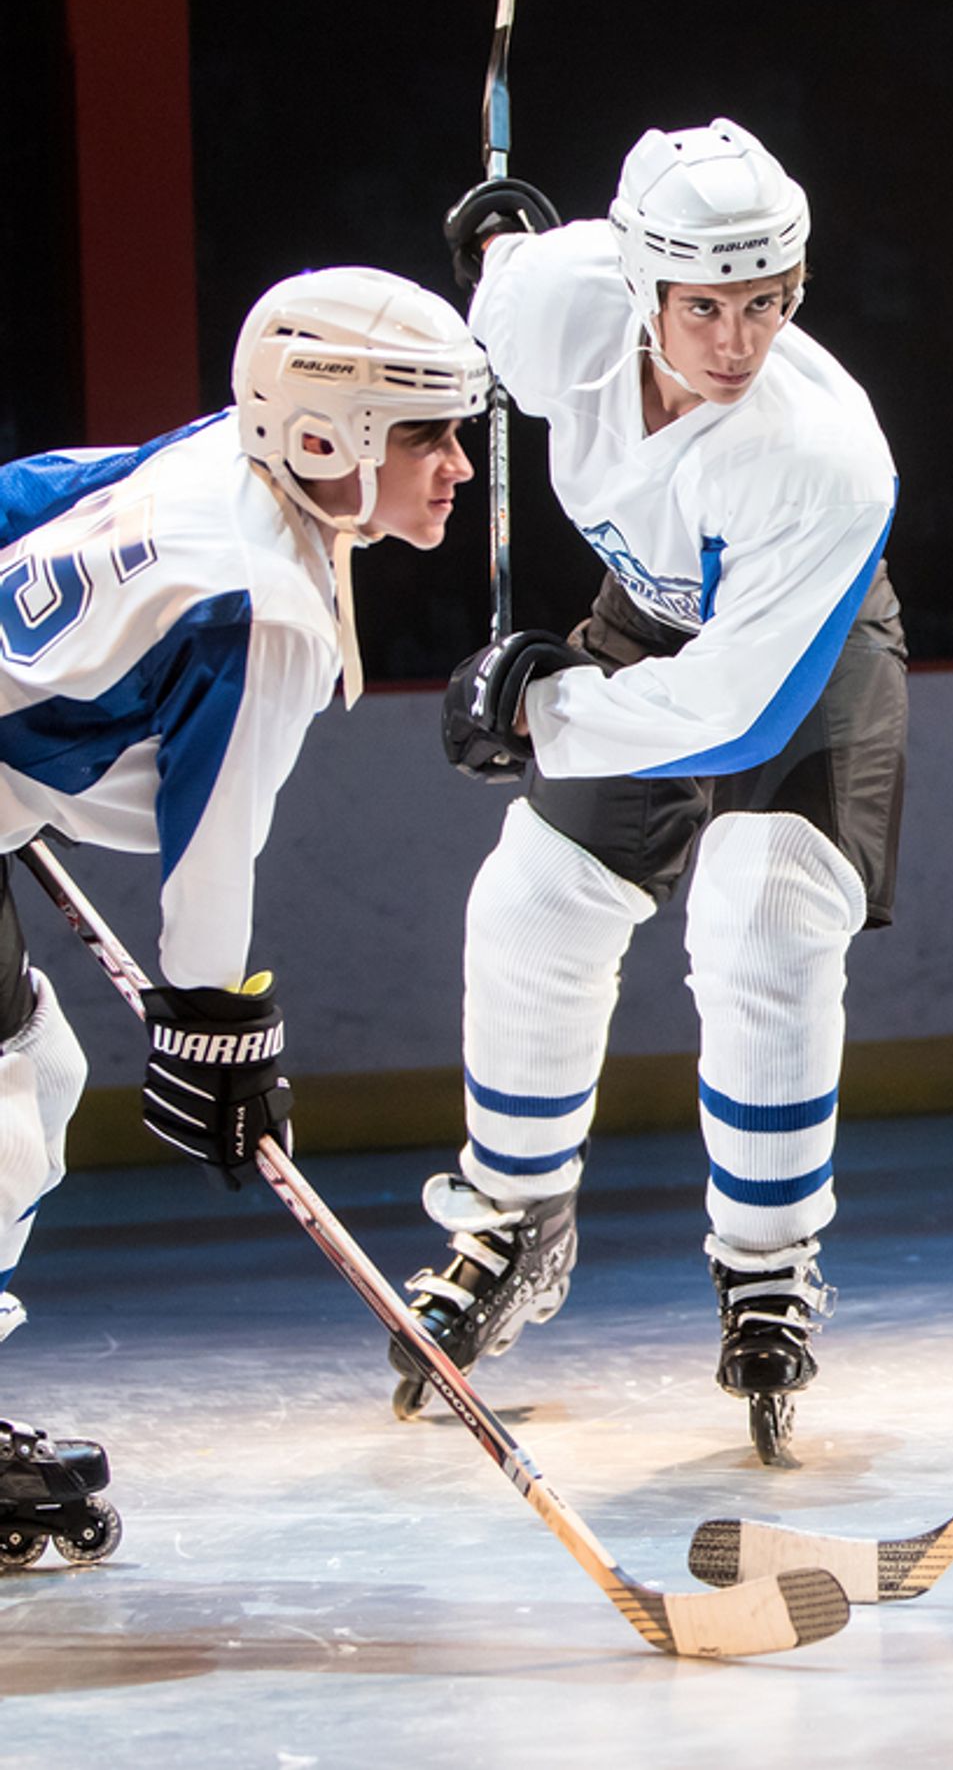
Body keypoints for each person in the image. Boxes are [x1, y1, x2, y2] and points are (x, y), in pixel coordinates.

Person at [389, 118, 906, 1462]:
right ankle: (512, 1223)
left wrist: (540, 710)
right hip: (649, 620)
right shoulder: (555, 304)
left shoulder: (825, 452)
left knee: (762, 908)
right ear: (638, 289)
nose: (738, 342)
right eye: (707, 307)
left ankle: (769, 1265)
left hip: (802, 648)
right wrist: (496, 232)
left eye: (769, 304)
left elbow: (735, 705)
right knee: (532, 900)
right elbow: (496, 283)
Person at [0, 266, 488, 1563]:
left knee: (21, 1079)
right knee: (9, 1103)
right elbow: (211, 851)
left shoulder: (223, 453)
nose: (460, 467)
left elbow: (34, 496)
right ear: (329, 437)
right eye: (430, 433)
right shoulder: (260, 604)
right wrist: (216, 1024)